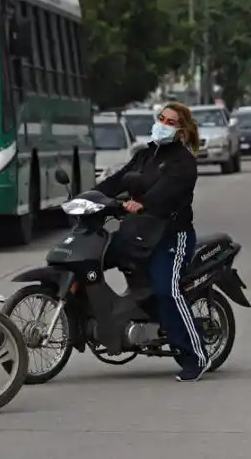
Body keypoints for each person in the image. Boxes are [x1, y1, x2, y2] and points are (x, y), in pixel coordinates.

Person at [93, 102, 210, 382]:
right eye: (161, 118)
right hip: (139, 232)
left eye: (170, 121)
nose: (163, 124)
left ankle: (196, 355)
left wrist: (142, 203)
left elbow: (165, 192)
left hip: (171, 235)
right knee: (94, 259)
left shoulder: (183, 161)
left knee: (167, 290)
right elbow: (118, 179)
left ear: (181, 129)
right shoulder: (145, 155)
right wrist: (89, 197)